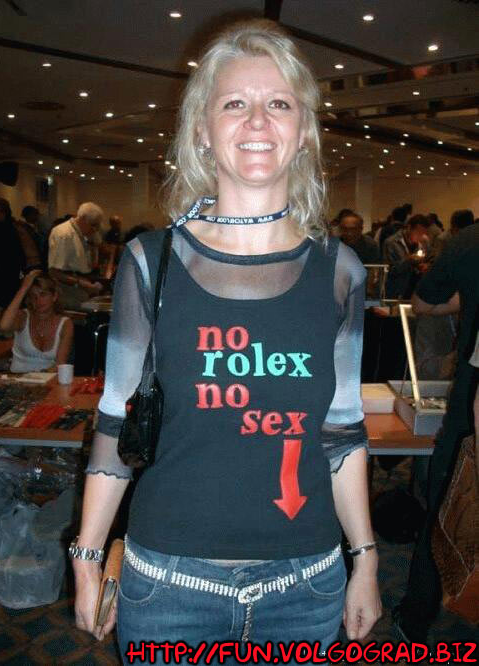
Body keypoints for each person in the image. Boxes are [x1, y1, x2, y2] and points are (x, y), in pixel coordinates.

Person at [72, 20, 381, 660]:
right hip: (168, 582)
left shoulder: (340, 271)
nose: (258, 121)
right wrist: (88, 554)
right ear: (202, 130)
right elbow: (116, 421)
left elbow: (344, 431)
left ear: (303, 131)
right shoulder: (149, 262)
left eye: (280, 104)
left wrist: (367, 559)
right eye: (235, 103)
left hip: (306, 582)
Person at [394, 221, 479, 641]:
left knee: (446, 498)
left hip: (469, 401)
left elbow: (424, 303)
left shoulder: (469, 241)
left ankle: (417, 613)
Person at [0, 269, 74, 373]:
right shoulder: (23, 316)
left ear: (54, 296)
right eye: (33, 296)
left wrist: (39, 377)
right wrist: (23, 288)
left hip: (47, 378)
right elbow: (4, 326)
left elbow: (60, 365)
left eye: (43, 294)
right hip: (18, 378)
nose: (38, 300)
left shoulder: (65, 324)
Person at [48, 202, 104, 309]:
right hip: (68, 290)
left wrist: (94, 244)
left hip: (81, 286)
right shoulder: (64, 234)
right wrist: (81, 283)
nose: (95, 229)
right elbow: (54, 272)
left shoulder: (82, 233)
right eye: (93, 225)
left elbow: (92, 264)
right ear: (83, 219)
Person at [383, 214, 431, 299]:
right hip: (397, 290)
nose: (421, 236)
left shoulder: (424, 242)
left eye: (423, 233)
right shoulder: (392, 243)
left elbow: (429, 259)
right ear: (409, 228)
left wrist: (424, 266)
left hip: (416, 290)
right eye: (418, 232)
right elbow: (390, 271)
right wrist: (408, 260)